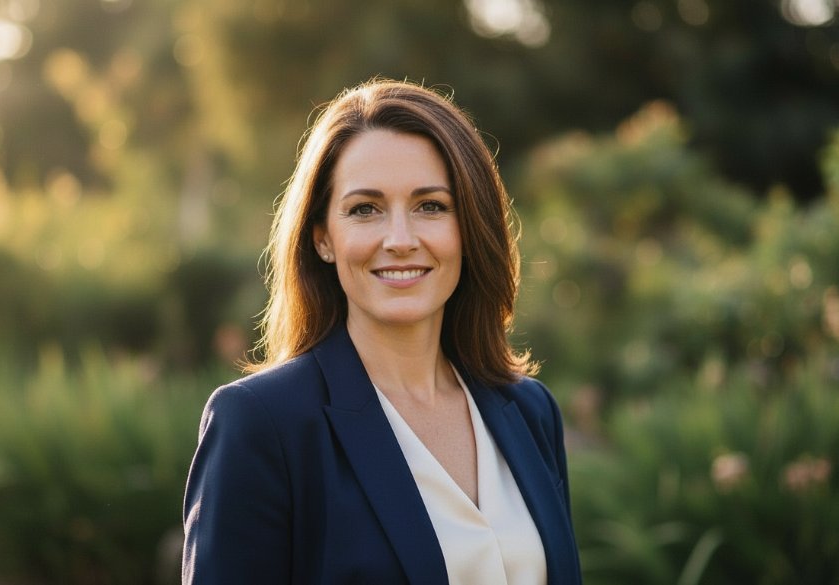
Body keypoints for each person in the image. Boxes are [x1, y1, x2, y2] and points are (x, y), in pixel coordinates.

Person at [182, 78, 582, 585]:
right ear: (323, 238)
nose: (399, 239)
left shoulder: (529, 410)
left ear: (469, 227)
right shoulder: (262, 424)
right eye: (365, 209)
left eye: (431, 206)